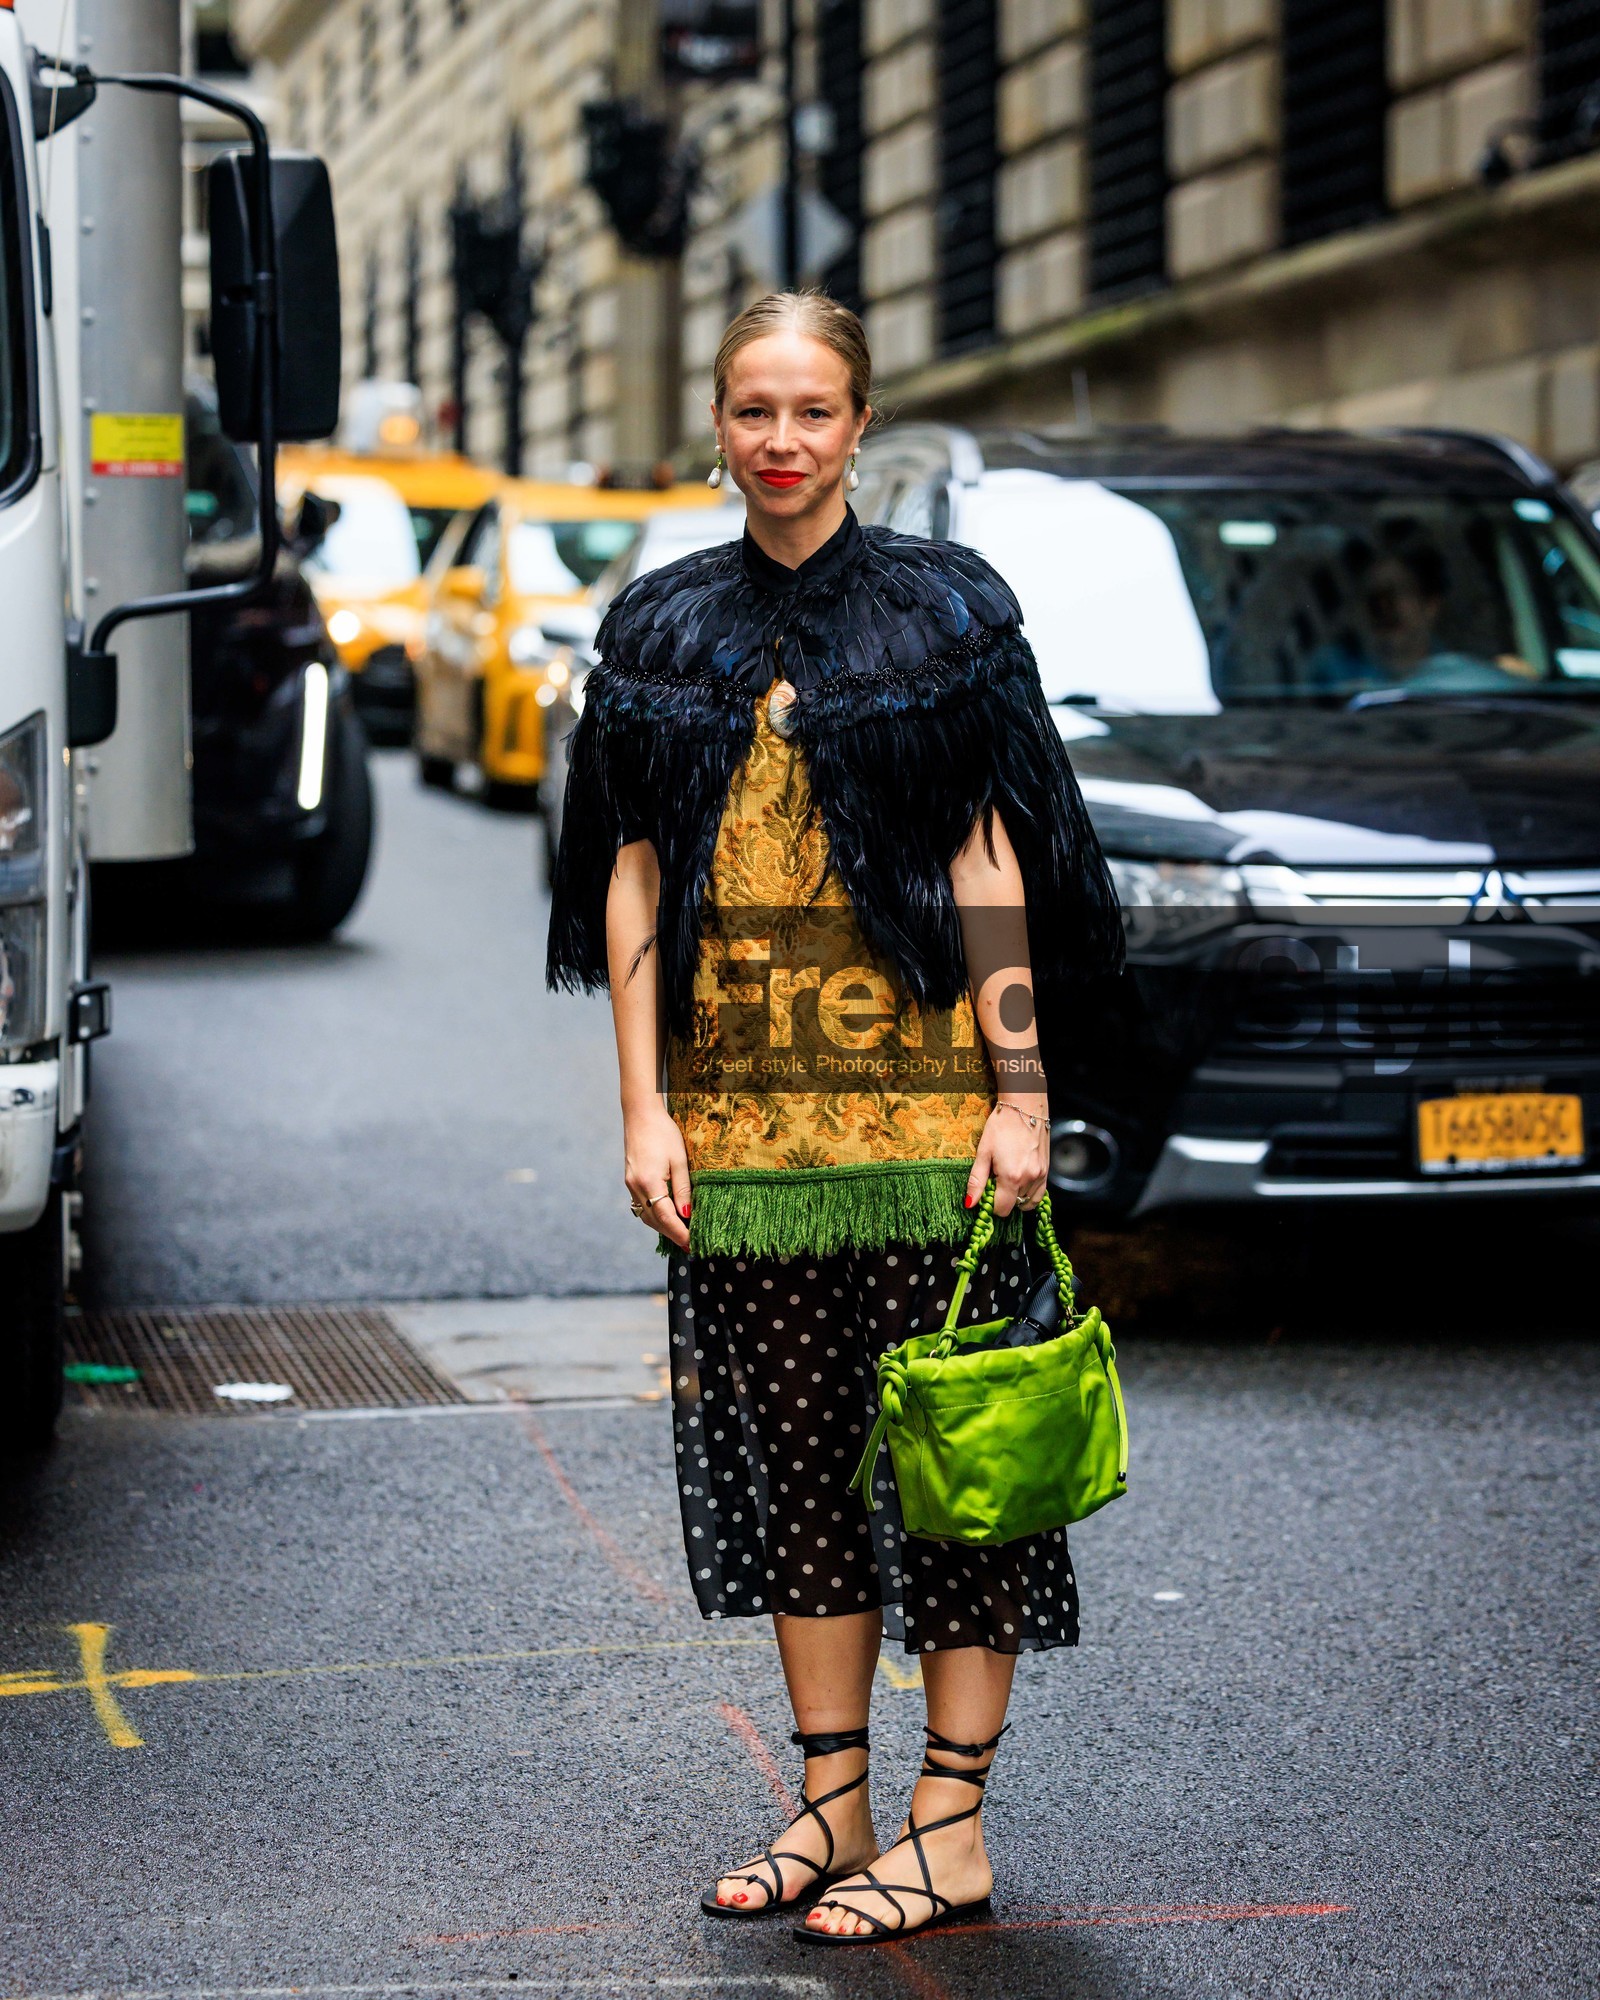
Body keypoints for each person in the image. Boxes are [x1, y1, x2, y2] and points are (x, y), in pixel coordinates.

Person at [546, 290, 1122, 1945]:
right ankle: (830, 1808)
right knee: (797, 1467)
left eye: (812, 410)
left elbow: (988, 865)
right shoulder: (658, 631)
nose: (782, 441)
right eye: (753, 410)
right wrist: (645, 1108)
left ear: (861, 424)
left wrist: (1020, 1092)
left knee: (957, 1471)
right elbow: (635, 879)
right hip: (744, 1132)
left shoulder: (945, 615)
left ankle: (950, 1828)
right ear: (716, 426)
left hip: (935, 1122)